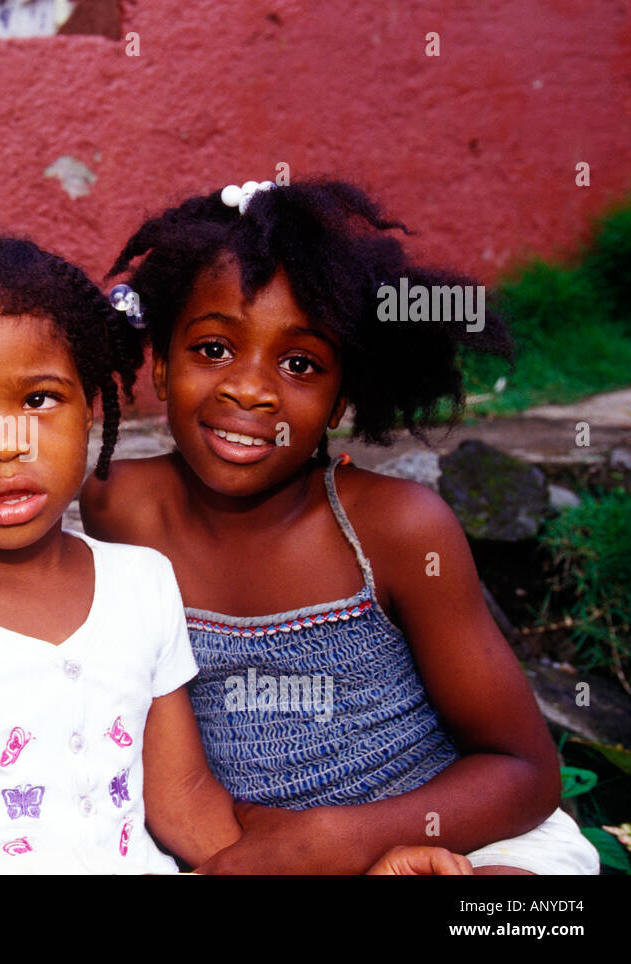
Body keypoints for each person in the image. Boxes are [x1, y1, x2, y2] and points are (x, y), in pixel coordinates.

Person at [0, 235, 465, 875]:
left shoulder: (138, 582)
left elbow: (185, 806)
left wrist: (355, 864)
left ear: (90, 408)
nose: (1, 445)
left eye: (38, 399)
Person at [81, 178, 600, 875]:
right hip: (240, 849)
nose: (249, 388)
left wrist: (339, 842)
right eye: (212, 349)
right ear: (163, 364)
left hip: (444, 839)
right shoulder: (122, 507)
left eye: (299, 364)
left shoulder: (396, 528)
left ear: (338, 401)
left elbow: (524, 772)